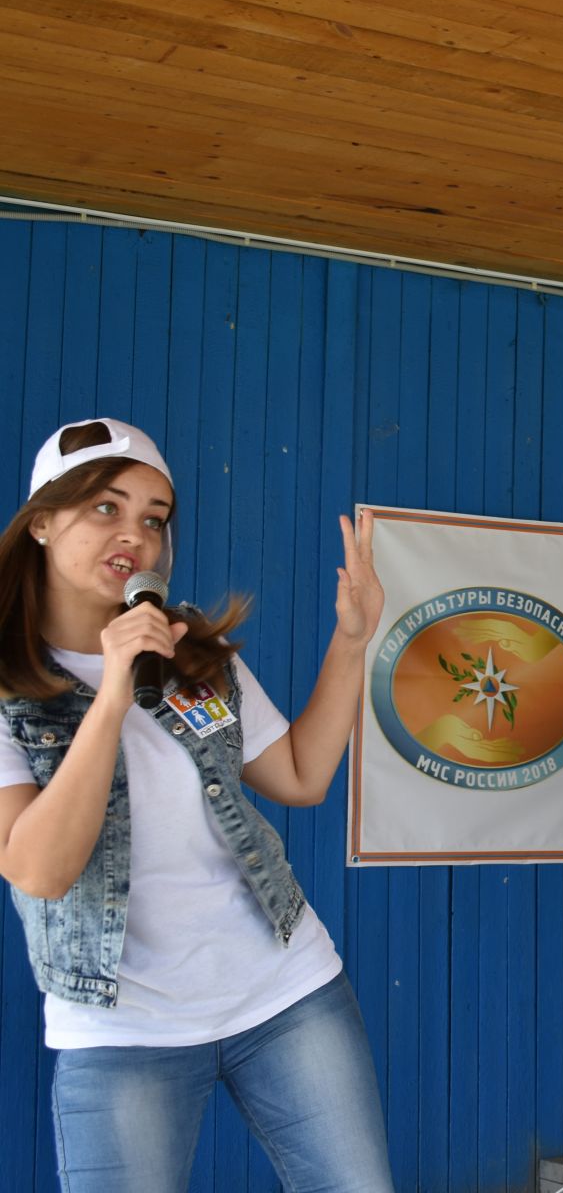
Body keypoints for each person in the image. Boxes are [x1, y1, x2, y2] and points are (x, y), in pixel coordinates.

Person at [0, 418, 393, 1192]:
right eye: (106, 508)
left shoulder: (190, 655)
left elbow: (302, 777)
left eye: (154, 517)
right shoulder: (9, 687)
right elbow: (38, 871)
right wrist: (112, 693)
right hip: (122, 1028)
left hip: (285, 991)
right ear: (41, 522)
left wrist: (353, 639)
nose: (136, 535)